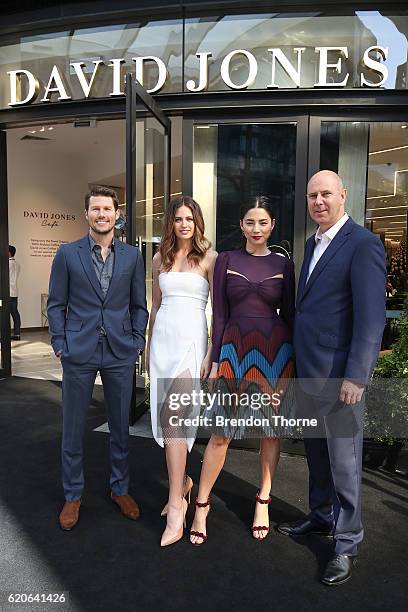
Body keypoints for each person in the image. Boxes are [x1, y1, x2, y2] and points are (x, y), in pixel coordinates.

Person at [277, 171, 386, 586]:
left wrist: (357, 375)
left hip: (341, 375)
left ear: (343, 195)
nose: (319, 201)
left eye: (326, 194)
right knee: (318, 454)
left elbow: (371, 318)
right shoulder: (313, 243)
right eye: (311, 195)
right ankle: (321, 516)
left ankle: (346, 542)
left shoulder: (363, 244)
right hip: (310, 372)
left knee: (344, 460)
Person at [189, 195, 295, 545]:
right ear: (241, 225)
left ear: (272, 225)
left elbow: (290, 317)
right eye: (250, 222)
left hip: (275, 353)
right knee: (221, 432)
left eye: (263, 222)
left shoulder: (284, 263)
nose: (256, 229)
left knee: (270, 432)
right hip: (233, 351)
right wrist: (214, 355)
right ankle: (201, 505)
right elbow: (219, 314)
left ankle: (263, 501)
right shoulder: (227, 260)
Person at [47, 185, 148, 531]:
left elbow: (139, 305)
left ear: (117, 214)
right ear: (86, 214)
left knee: (120, 426)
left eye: (108, 209)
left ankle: (120, 488)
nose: (102, 215)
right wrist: (60, 342)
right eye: (96, 209)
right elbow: (56, 304)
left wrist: (137, 341)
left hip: (120, 351)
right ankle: (73, 495)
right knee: (73, 428)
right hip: (79, 351)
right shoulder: (67, 253)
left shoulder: (133, 256)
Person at [147, 195, 216, 547]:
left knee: (176, 417)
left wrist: (212, 353)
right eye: (178, 219)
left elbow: (220, 313)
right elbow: (155, 309)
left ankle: (177, 505)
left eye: (190, 218)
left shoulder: (210, 259)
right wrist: (147, 351)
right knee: (166, 419)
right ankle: (184, 484)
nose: (184, 224)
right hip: (162, 345)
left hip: (192, 348)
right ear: (171, 223)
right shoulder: (159, 258)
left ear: (197, 221)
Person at [8, 245, 21, 340]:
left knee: (4, 314)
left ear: (9, 252)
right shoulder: (17, 264)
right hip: (14, 292)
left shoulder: (7, 264)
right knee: (15, 313)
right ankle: (17, 334)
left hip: (7, 293)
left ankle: (4, 334)